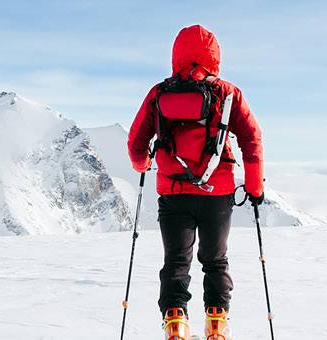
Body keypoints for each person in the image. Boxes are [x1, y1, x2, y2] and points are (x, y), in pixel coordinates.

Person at [125, 24, 264, 340]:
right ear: (214, 55)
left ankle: (176, 326)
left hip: (173, 193)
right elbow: (252, 139)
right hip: (218, 192)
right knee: (215, 261)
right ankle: (216, 327)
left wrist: (144, 163)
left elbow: (136, 144)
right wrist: (255, 187)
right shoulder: (228, 93)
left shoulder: (159, 93)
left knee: (175, 262)